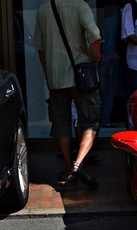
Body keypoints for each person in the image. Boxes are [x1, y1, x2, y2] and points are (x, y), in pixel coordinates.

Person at [33, 0, 101, 188]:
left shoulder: (44, 9)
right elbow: (94, 34)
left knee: (62, 124)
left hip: (56, 78)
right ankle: (78, 165)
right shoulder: (80, 6)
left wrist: (49, 73)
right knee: (90, 121)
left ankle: (68, 167)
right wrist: (96, 55)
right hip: (82, 76)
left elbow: (40, 48)